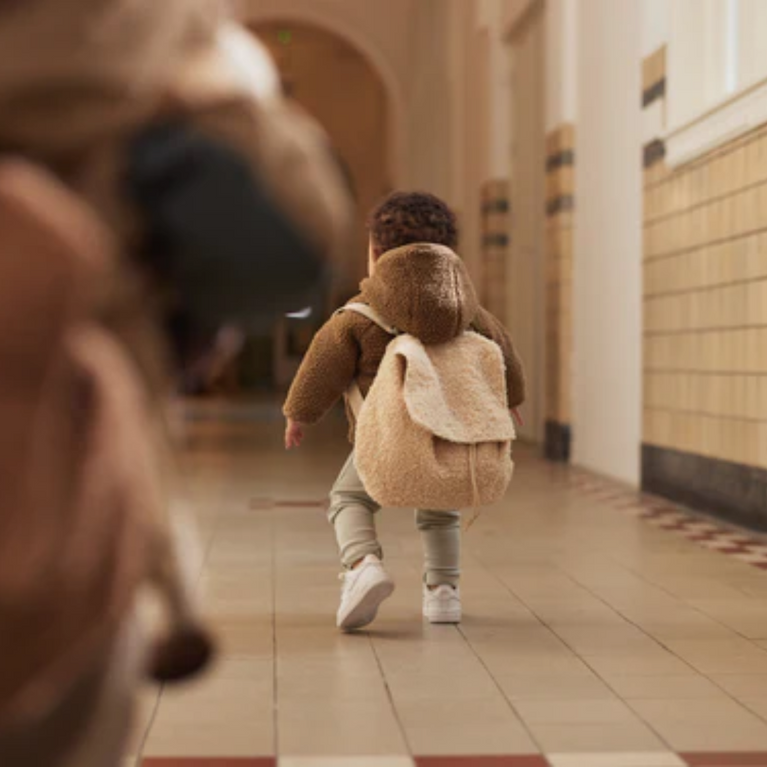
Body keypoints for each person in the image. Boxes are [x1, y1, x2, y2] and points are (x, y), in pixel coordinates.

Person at [283, 191, 525, 631]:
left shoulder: (358, 316)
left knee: (349, 497)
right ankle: (443, 593)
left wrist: (299, 413)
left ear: (375, 253)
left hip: (384, 441)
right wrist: (510, 402)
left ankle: (363, 565)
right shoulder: (470, 314)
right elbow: (502, 352)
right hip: (446, 435)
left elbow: (323, 363)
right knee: (440, 509)